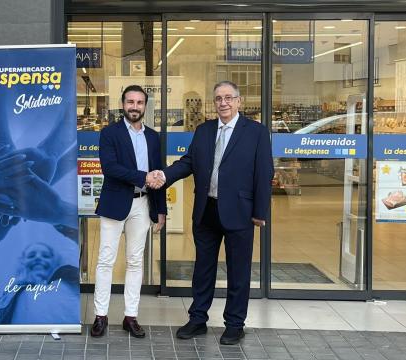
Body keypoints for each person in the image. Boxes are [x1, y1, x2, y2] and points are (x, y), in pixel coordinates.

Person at [151, 81, 273, 345]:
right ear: (214, 102)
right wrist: (164, 175)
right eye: (219, 98)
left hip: (240, 212)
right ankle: (198, 319)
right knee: (203, 269)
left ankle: (235, 324)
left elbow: (264, 172)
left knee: (238, 270)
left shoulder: (256, 132)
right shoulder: (204, 130)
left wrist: (260, 211)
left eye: (229, 97)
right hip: (206, 210)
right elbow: (189, 163)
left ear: (239, 101)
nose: (224, 103)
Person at [90, 85, 167, 338]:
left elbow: (159, 172)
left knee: (135, 262)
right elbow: (110, 168)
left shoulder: (153, 137)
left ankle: (130, 316)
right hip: (116, 203)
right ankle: (100, 316)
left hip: (144, 204)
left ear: (145, 106)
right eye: (130, 102)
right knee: (105, 260)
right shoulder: (109, 133)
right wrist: (144, 176)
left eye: (140, 102)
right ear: (122, 104)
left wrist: (161, 210)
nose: (135, 106)